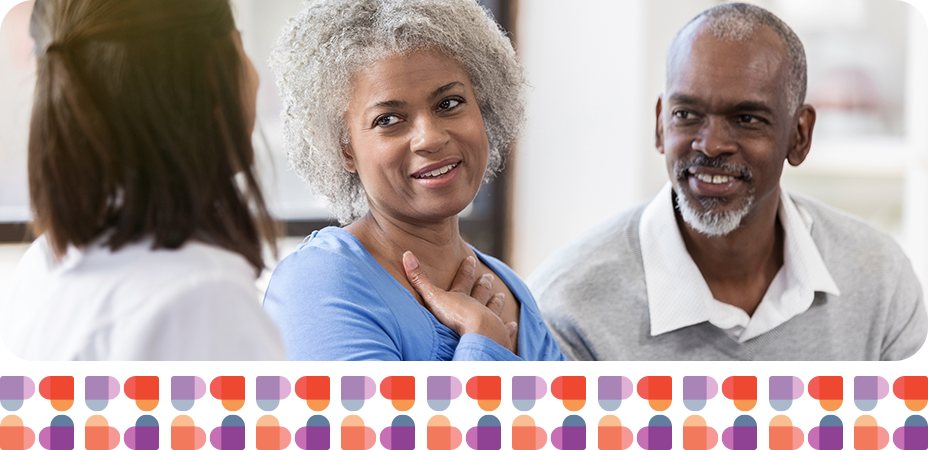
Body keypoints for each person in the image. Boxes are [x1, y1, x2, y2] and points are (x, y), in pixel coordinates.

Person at [529, 3, 928, 361]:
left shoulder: (880, 281)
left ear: (799, 135)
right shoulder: (567, 306)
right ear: (659, 124)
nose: (712, 144)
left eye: (747, 118)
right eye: (686, 114)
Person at [264, 0, 564, 362]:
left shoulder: (510, 289)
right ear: (344, 149)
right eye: (388, 120)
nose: (430, 138)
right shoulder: (319, 282)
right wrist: (483, 340)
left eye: (449, 103)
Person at [0, 0, 285, 361]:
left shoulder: (40, 269)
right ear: (212, 77)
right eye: (240, 42)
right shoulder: (200, 300)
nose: (256, 75)